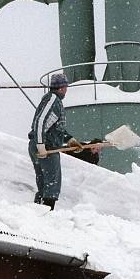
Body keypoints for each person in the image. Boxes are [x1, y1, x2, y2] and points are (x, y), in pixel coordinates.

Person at [28, 73, 83, 210]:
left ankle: (38, 211)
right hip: (46, 147)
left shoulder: (53, 101)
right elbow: (40, 123)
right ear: (61, 88)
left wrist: (70, 140)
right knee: (52, 183)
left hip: (42, 145)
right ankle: (47, 212)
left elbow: (55, 128)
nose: (66, 90)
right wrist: (41, 146)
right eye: (65, 87)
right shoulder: (53, 100)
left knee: (43, 183)